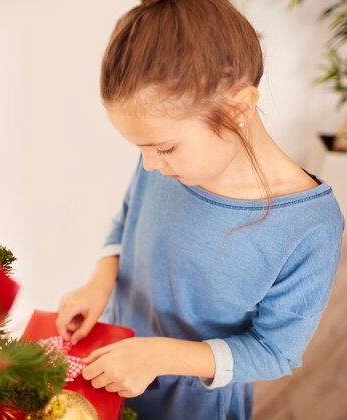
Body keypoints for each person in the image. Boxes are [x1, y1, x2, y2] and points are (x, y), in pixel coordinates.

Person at [55, 0, 345, 419]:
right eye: (141, 149)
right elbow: (128, 217)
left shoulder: (307, 226)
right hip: (111, 367)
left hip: (192, 405)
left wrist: (159, 356)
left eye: (164, 148)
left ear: (238, 108)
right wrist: (98, 284)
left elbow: (275, 352)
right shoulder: (164, 164)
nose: (151, 164)